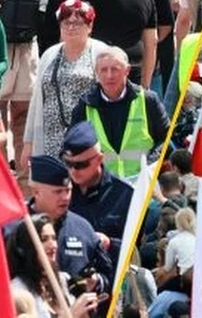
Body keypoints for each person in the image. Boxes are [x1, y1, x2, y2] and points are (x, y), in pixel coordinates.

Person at [24, 0, 108, 161]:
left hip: (87, 139)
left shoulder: (101, 53)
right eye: (66, 23)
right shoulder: (49, 55)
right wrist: (29, 142)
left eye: (77, 23)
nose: (70, 27)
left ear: (89, 26)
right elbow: (36, 100)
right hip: (50, 139)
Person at [69, 48, 169, 179]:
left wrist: (149, 167)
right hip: (104, 188)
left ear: (127, 70)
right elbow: (72, 147)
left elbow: (166, 139)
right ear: (96, 73)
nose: (109, 75)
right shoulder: (85, 106)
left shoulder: (147, 100)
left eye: (115, 69)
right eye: (104, 70)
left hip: (143, 183)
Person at [25, 155, 113, 285]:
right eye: (58, 192)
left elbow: (107, 277)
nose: (65, 197)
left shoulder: (82, 228)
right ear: (36, 192)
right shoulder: (15, 228)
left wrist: (96, 282)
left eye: (68, 190)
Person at [61, 122, 134, 267]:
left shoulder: (124, 195)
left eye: (81, 165)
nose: (74, 171)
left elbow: (136, 249)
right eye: (68, 163)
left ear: (100, 159)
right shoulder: (60, 191)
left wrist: (109, 244)